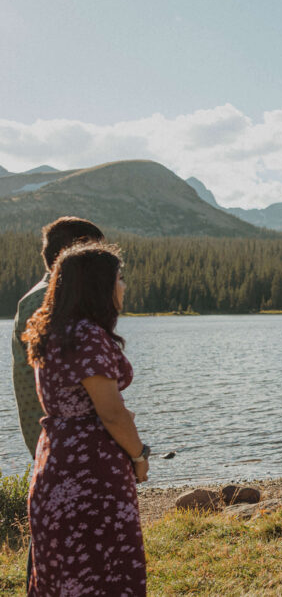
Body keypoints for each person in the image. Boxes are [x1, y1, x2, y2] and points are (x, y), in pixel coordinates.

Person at [22, 242, 149, 596]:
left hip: (55, 461)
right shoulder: (87, 335)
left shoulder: (49, 331)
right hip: (91, 474)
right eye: (119, 278)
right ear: (99, 286)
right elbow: (111, 413)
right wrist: (139, 457)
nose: (123, 286)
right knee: (102, 571)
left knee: (63, 573)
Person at [10, 216, 104, 592]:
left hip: (56, 433)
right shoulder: (49, 300)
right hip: (59, 434)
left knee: (58, 525)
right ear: (73, 256)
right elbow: (72, 378)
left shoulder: (51, 297)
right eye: (96, 254)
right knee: (56, 529)